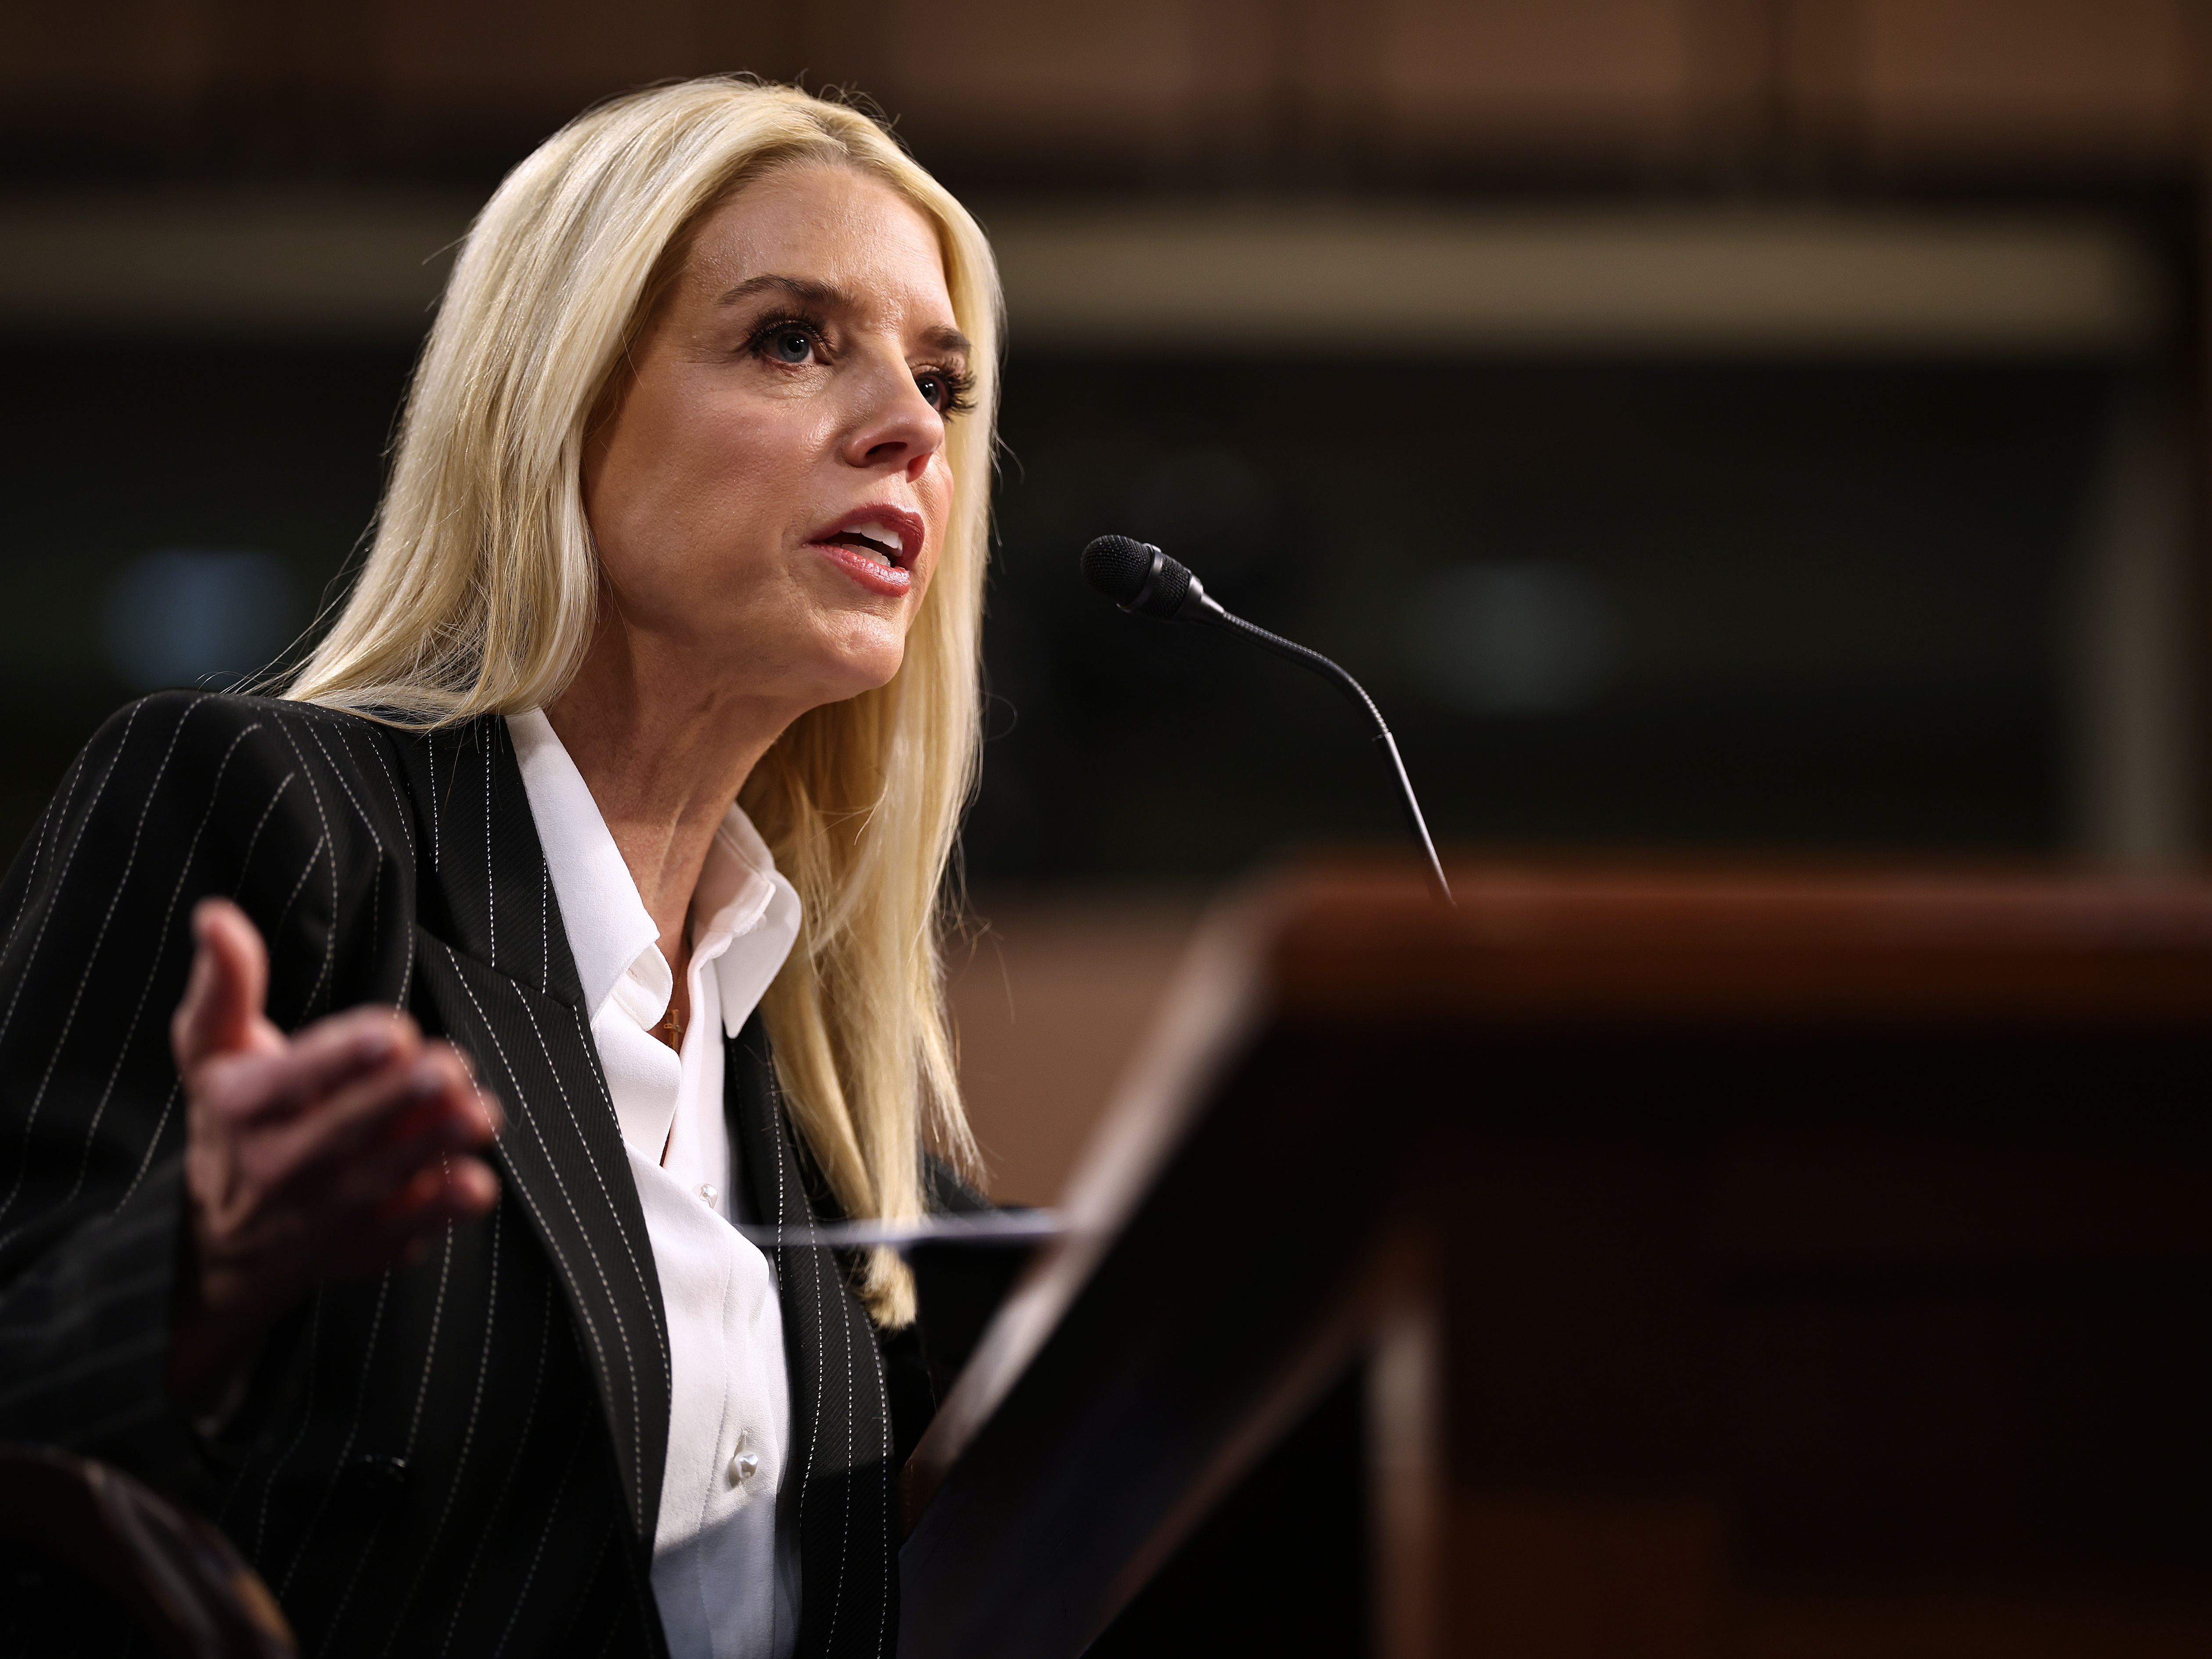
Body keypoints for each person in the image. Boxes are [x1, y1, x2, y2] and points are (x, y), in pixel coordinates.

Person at [0, 76, 998, 1658]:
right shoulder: (270, 821)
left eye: (941, 383)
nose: (905, 429)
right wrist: (193, 1266)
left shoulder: (813, 1063)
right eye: (792, 340)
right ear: (558, 399)